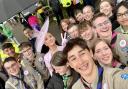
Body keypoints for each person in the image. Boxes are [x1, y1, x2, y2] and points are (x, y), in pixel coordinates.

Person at [63, 37, 128, 89]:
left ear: (91, 53)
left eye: (82, 54)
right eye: (73, 59)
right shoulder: (76, 87)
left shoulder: (115, 77)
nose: (80, 61)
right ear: (71, 64)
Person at [112, 1, 128, 65]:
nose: (124, 17)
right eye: (119, 15)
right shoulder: (114, 34)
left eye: (126, 13)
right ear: (116, 19)